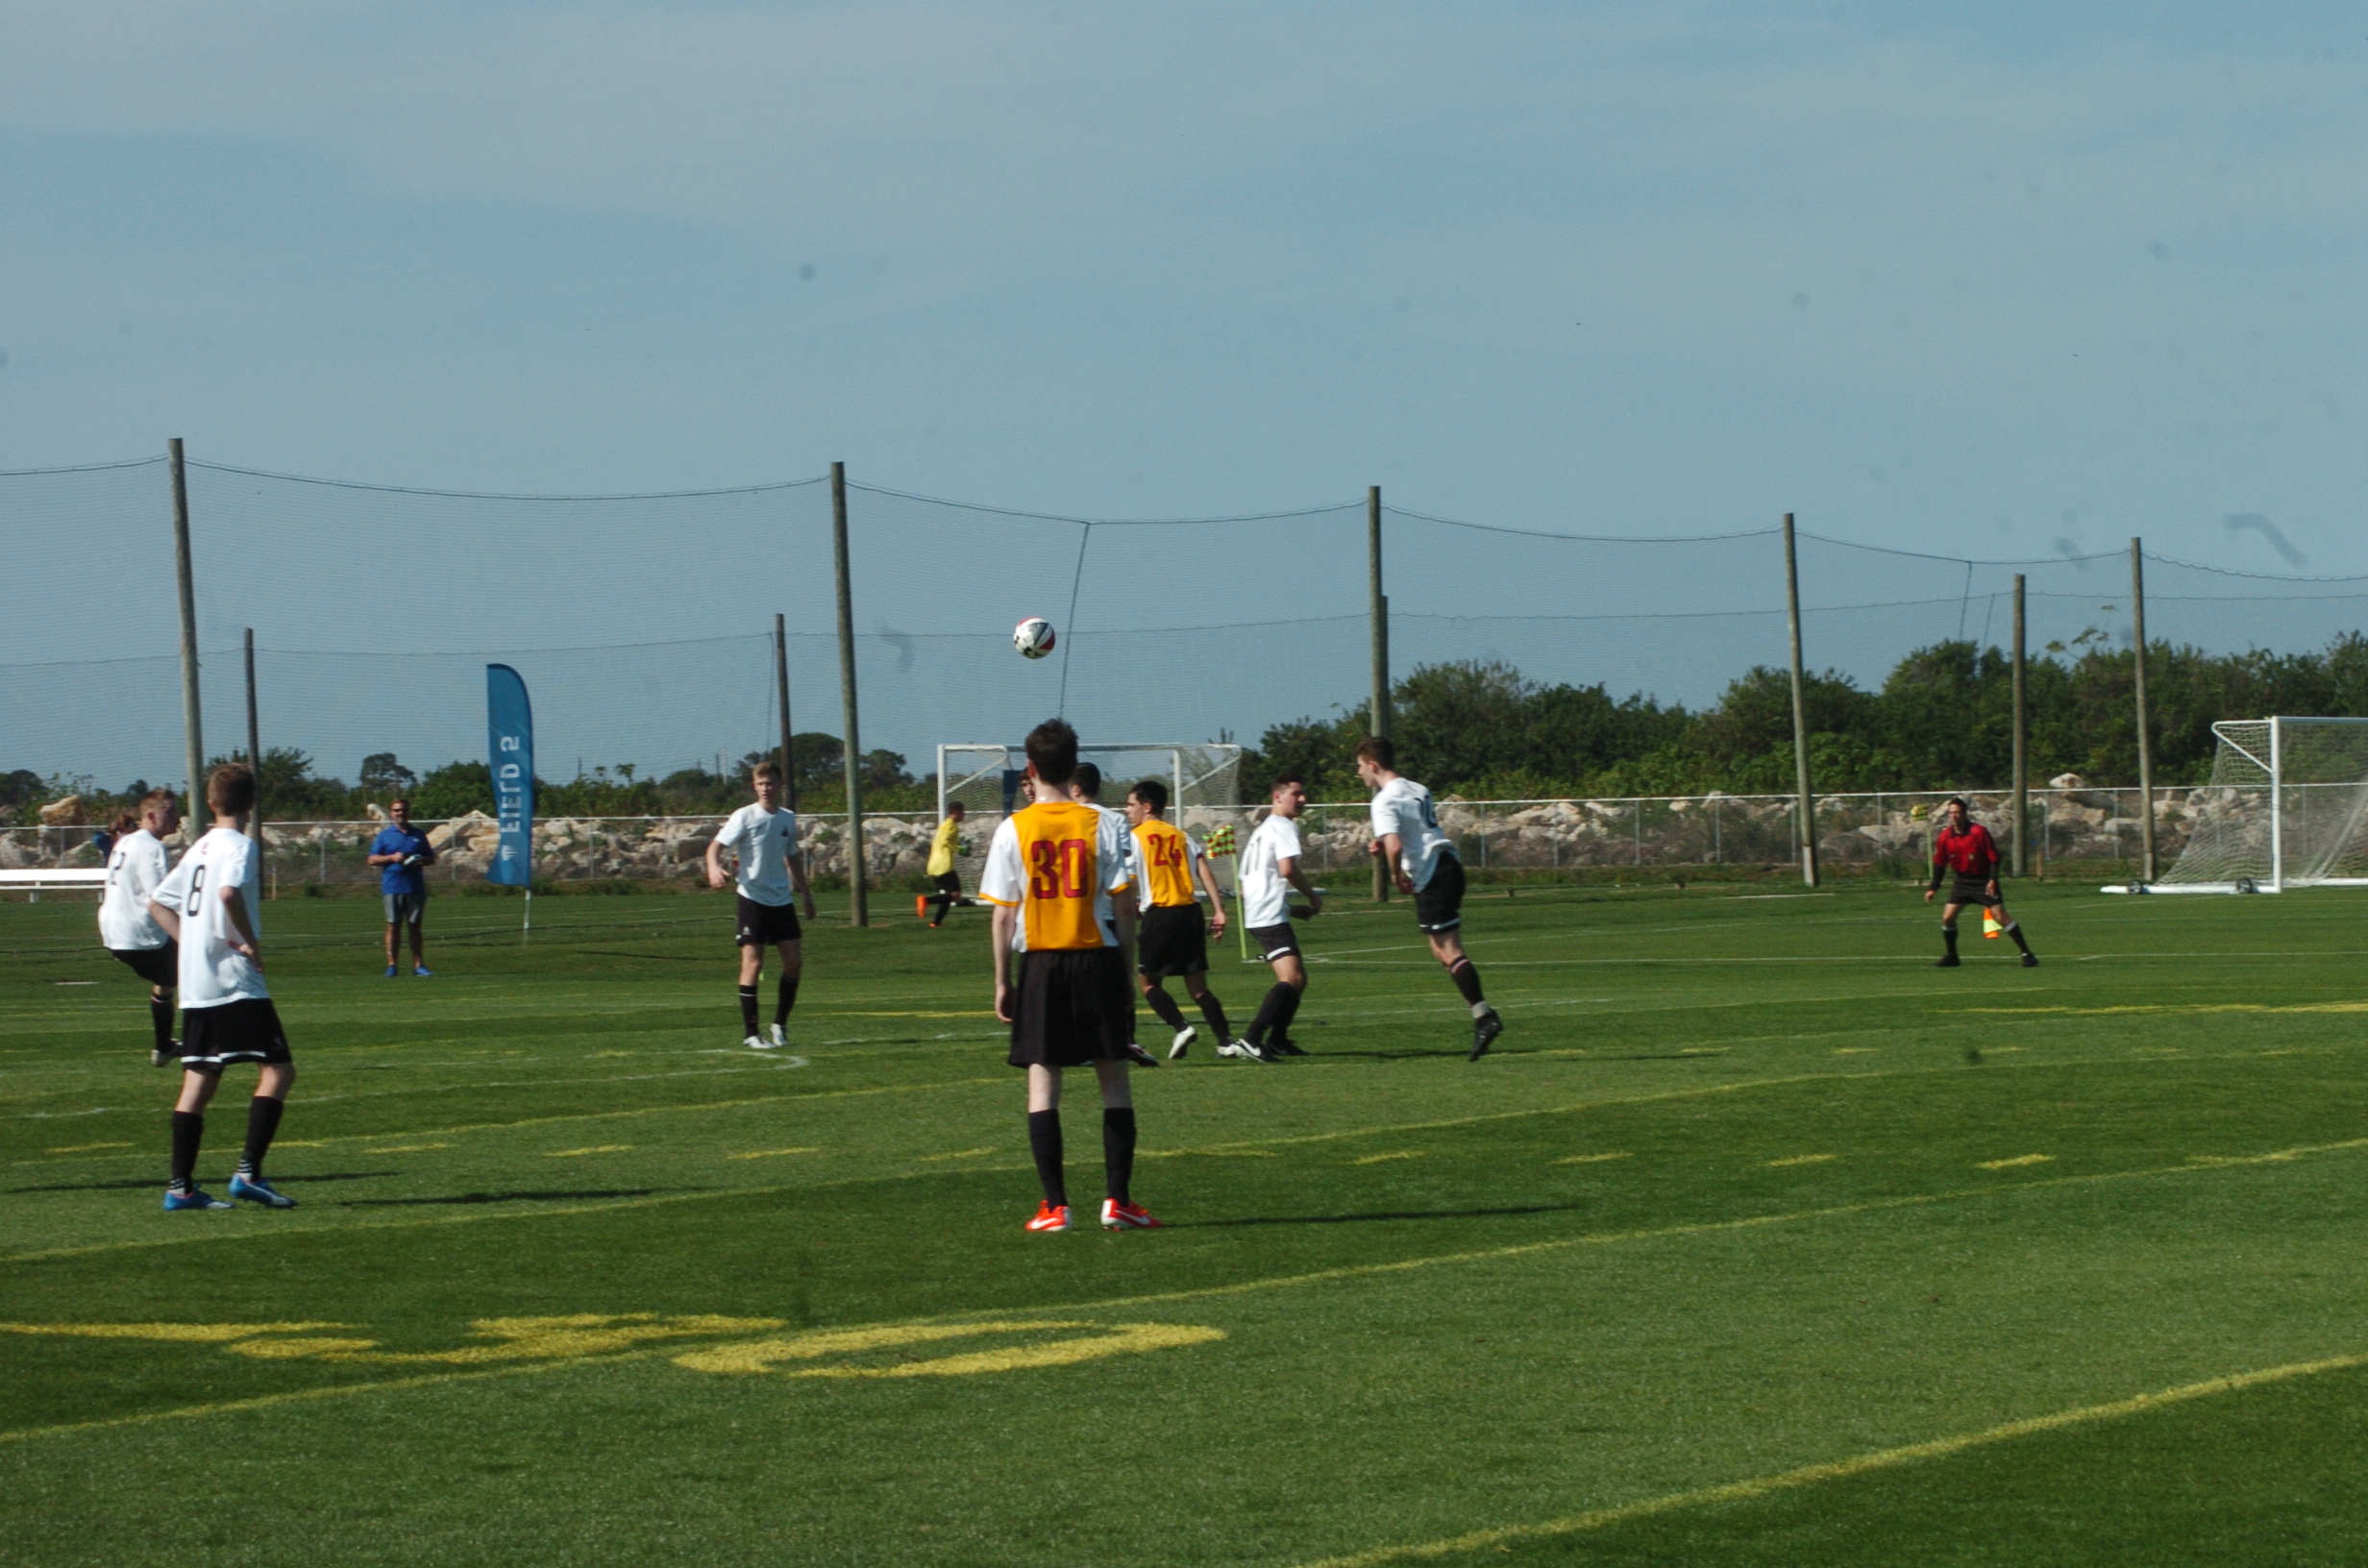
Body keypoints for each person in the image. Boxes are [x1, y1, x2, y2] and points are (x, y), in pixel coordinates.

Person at [980, 719, 1157, 1233]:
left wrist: (1002, 981)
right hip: (1096, 958)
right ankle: (1117, 1200)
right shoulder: (1105, 823)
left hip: (1041, 964)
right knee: (1114, 1081)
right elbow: (1123, 907)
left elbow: (1003, 915)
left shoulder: (1013, 828)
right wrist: (1126, 972)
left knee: (1042, 1085)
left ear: (1030, 768)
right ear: (1074, 765)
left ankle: (1055, 1206)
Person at [146, 762, 297, 1211]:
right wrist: (250, 944)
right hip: (234, 980)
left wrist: (191, 942)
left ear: (210, 803)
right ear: (251, 803)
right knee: (278, 1071)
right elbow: (228, 894)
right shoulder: (240, 845)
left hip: (196, 983)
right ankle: (248, 1174)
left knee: (200, 1079)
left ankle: (180, 1188)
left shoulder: (199, 847)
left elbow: (158, 904)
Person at [1358, 737, 1505, 1060]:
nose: (1359, 774)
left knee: (1449, 950)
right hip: (1449, 864)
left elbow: (1396, 845)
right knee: (1441, 950)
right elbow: (1413, 833)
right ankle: (1483, 1015)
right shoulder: (1418, 788)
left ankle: (1485, 1018)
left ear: (1373, 765)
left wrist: (1395, 875)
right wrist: (1387, 846)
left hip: (1432, 875)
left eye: (1360, 767)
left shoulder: (1382, 800)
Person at [706, 761, 818, 1048]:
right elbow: (715, 847)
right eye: (761, 783)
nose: (766, 788)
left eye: (770, 783)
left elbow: (792, 856)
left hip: (782, 899)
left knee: (794, 963)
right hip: (752, 899)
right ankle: (751, 1034)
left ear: (780, 785)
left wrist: (806, 893)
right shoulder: (744, 816)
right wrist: (713, 868)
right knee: (753, 964)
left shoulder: (787, 818)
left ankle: (779, 1025)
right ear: (754, 786)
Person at [1123, 777, 1233, 1061]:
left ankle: (1182, 1027)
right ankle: (1226, 1041)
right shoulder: (1181, 835)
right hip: (1191, 914)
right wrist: (1219, 910)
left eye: (1131, 804)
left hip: (1160, 914)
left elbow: (1128, 877)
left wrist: (1132, 903)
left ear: (1147, 806)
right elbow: (1203, 869)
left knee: (1147, 983)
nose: (1127, 810)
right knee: (1198, 987)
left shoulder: (1135, 837)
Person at [1072, 763, 1160, 1068]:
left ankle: (1093, 1044)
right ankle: (1124, 1039)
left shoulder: (1070, 818)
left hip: (1084, 911)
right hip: (1112, 906)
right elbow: (1125, 865)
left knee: (1087, 981)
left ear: (1075, 788)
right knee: (1119, 977)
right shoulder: (1114, 820)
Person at [1232, 773, 1323, 1063]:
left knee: (1298, 979)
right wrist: (1313, 897)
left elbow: (1245, 885)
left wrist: (1288, 909)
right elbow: (1287, 870)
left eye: (1302, 794)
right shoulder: (1283, 826)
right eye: (1296, 794)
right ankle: (1252, 1038)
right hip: (1268, 915)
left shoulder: (1261, 830)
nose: (1302, 799)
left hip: (1262, 913)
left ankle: (1278, 1040)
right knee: (1291, 978)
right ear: (1277, 796)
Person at [100, 791, 182, 1067]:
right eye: (169, 812)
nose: (176, 818)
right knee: (199, 969)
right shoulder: (151, 846)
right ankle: (205, 1042)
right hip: (139, 934)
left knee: (168, 978)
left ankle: (164, 1047)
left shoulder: (126, 842)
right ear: (150, 816)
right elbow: (159, 897)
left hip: (113, 932)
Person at [1927, 796, 2036, 968]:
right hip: (1962, 882)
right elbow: (1940, 864)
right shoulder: (1945, 837)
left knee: (2000, 917)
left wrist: (1992, 880)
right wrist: (1933, 888)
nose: (1953, 816)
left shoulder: (1978, 832)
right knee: (1947, 918)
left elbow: (1994, 858)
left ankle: (2027, 954)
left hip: (1983, 881)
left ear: (1964, 814)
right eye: (1951, 813)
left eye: (1957, 812)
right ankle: (1952, 956)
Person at [366, 797, 436, 978]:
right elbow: (372, 859)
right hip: (392, 886)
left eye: (403, 810)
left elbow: (431, 858)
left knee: (414, 927)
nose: (400, 813)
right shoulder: (385, 835)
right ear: (391, 813)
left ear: (408, 812)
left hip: (414, 887)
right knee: (393, 926)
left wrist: (418, 860)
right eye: (397, 810)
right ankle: (392, 965)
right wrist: (391, 858)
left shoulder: (418, 834)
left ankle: (418, 965)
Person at [921, 800, 970, 927]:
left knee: (949, 895)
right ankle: (925, 900)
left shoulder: (945, 824)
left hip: (935, 864)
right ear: (955, 812)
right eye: (962, 811)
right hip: (943, 865)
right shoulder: (951, 825)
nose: (963, 814)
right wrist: (959, 849)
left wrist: (959, 846)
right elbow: (944, 841)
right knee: (956, 894)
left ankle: (936, 922)